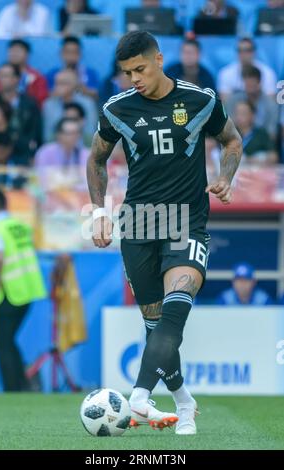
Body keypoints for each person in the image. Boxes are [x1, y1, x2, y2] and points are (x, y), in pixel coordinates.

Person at [86, 31, 242, 435]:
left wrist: (226, 177)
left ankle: (138, 395)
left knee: (177, 306)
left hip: (186, 221)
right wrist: (98, 213)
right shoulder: (117, 107)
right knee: (156, 325)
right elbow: (96, 160)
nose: (133, 78)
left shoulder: (200, 99)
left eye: (139, 69)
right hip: (138, 223)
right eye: (126, 72)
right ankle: (185, 402)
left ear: (158, 59)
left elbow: (232, 141)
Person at [0, 190, 47, 391]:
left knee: (3, 343)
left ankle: (12, 388)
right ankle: (22, 383)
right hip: (27, 291)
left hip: (8, 292)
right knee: (9, 340)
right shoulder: (20, 226)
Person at [0, 39, 48, 108]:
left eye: (18, 51)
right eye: (11, 51)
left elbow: (41, 100)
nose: (14, 54)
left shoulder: (37, 77)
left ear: (27, 54)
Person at [46, 36, 99, 101]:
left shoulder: (90, 73)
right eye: (67, 52)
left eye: (75, 52)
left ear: (80, 54)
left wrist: (77, 85)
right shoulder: (52, 74)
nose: (71, 56)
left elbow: (96, 96)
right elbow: (48, 95)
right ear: (61, 54)